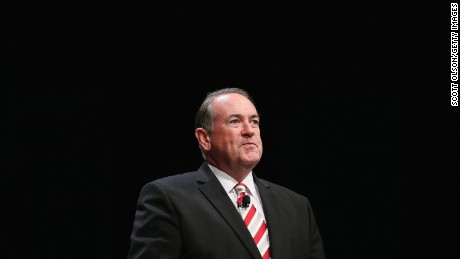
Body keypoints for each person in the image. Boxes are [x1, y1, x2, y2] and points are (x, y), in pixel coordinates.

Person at [127, 88, 326, 259]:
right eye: (235, 121)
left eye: (254, 121)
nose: (250, 131)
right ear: (204, 138)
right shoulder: (168, 199)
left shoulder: (297, 206)